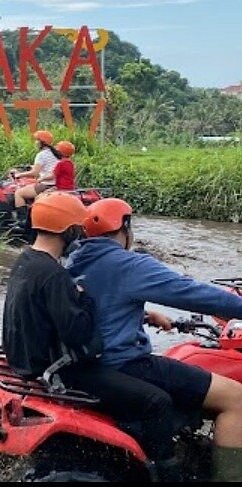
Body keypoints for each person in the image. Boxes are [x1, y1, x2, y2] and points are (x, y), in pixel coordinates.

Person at [2, 192, 183, 481]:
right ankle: (166, 475)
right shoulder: (54, 276)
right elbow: (78, 334)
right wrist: (83, 299)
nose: (81, 235)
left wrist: (141, 315)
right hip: (61, 372)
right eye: (78, 228)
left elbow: (43, 315)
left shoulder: (26, 262)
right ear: (68, 230)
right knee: (157, 401)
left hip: (28, 362)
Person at [66, 197, 242, 481]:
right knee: (237, 399)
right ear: (125, 227)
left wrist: (142, 313)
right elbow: (190, 292)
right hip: (126, 364)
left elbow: (97, 303)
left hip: (93, 363)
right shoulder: (128, 264)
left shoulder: (75, 259)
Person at [11, 130, 60, 225]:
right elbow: (46, 168)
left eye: (37, 140)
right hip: (57, 184)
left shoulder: (41, 155)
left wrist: (19, 174)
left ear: (42, 142)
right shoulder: (55, 153)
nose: (35, 142)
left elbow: (35, 173)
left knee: (19, 193)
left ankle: (22, 221)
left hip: (47, 185)